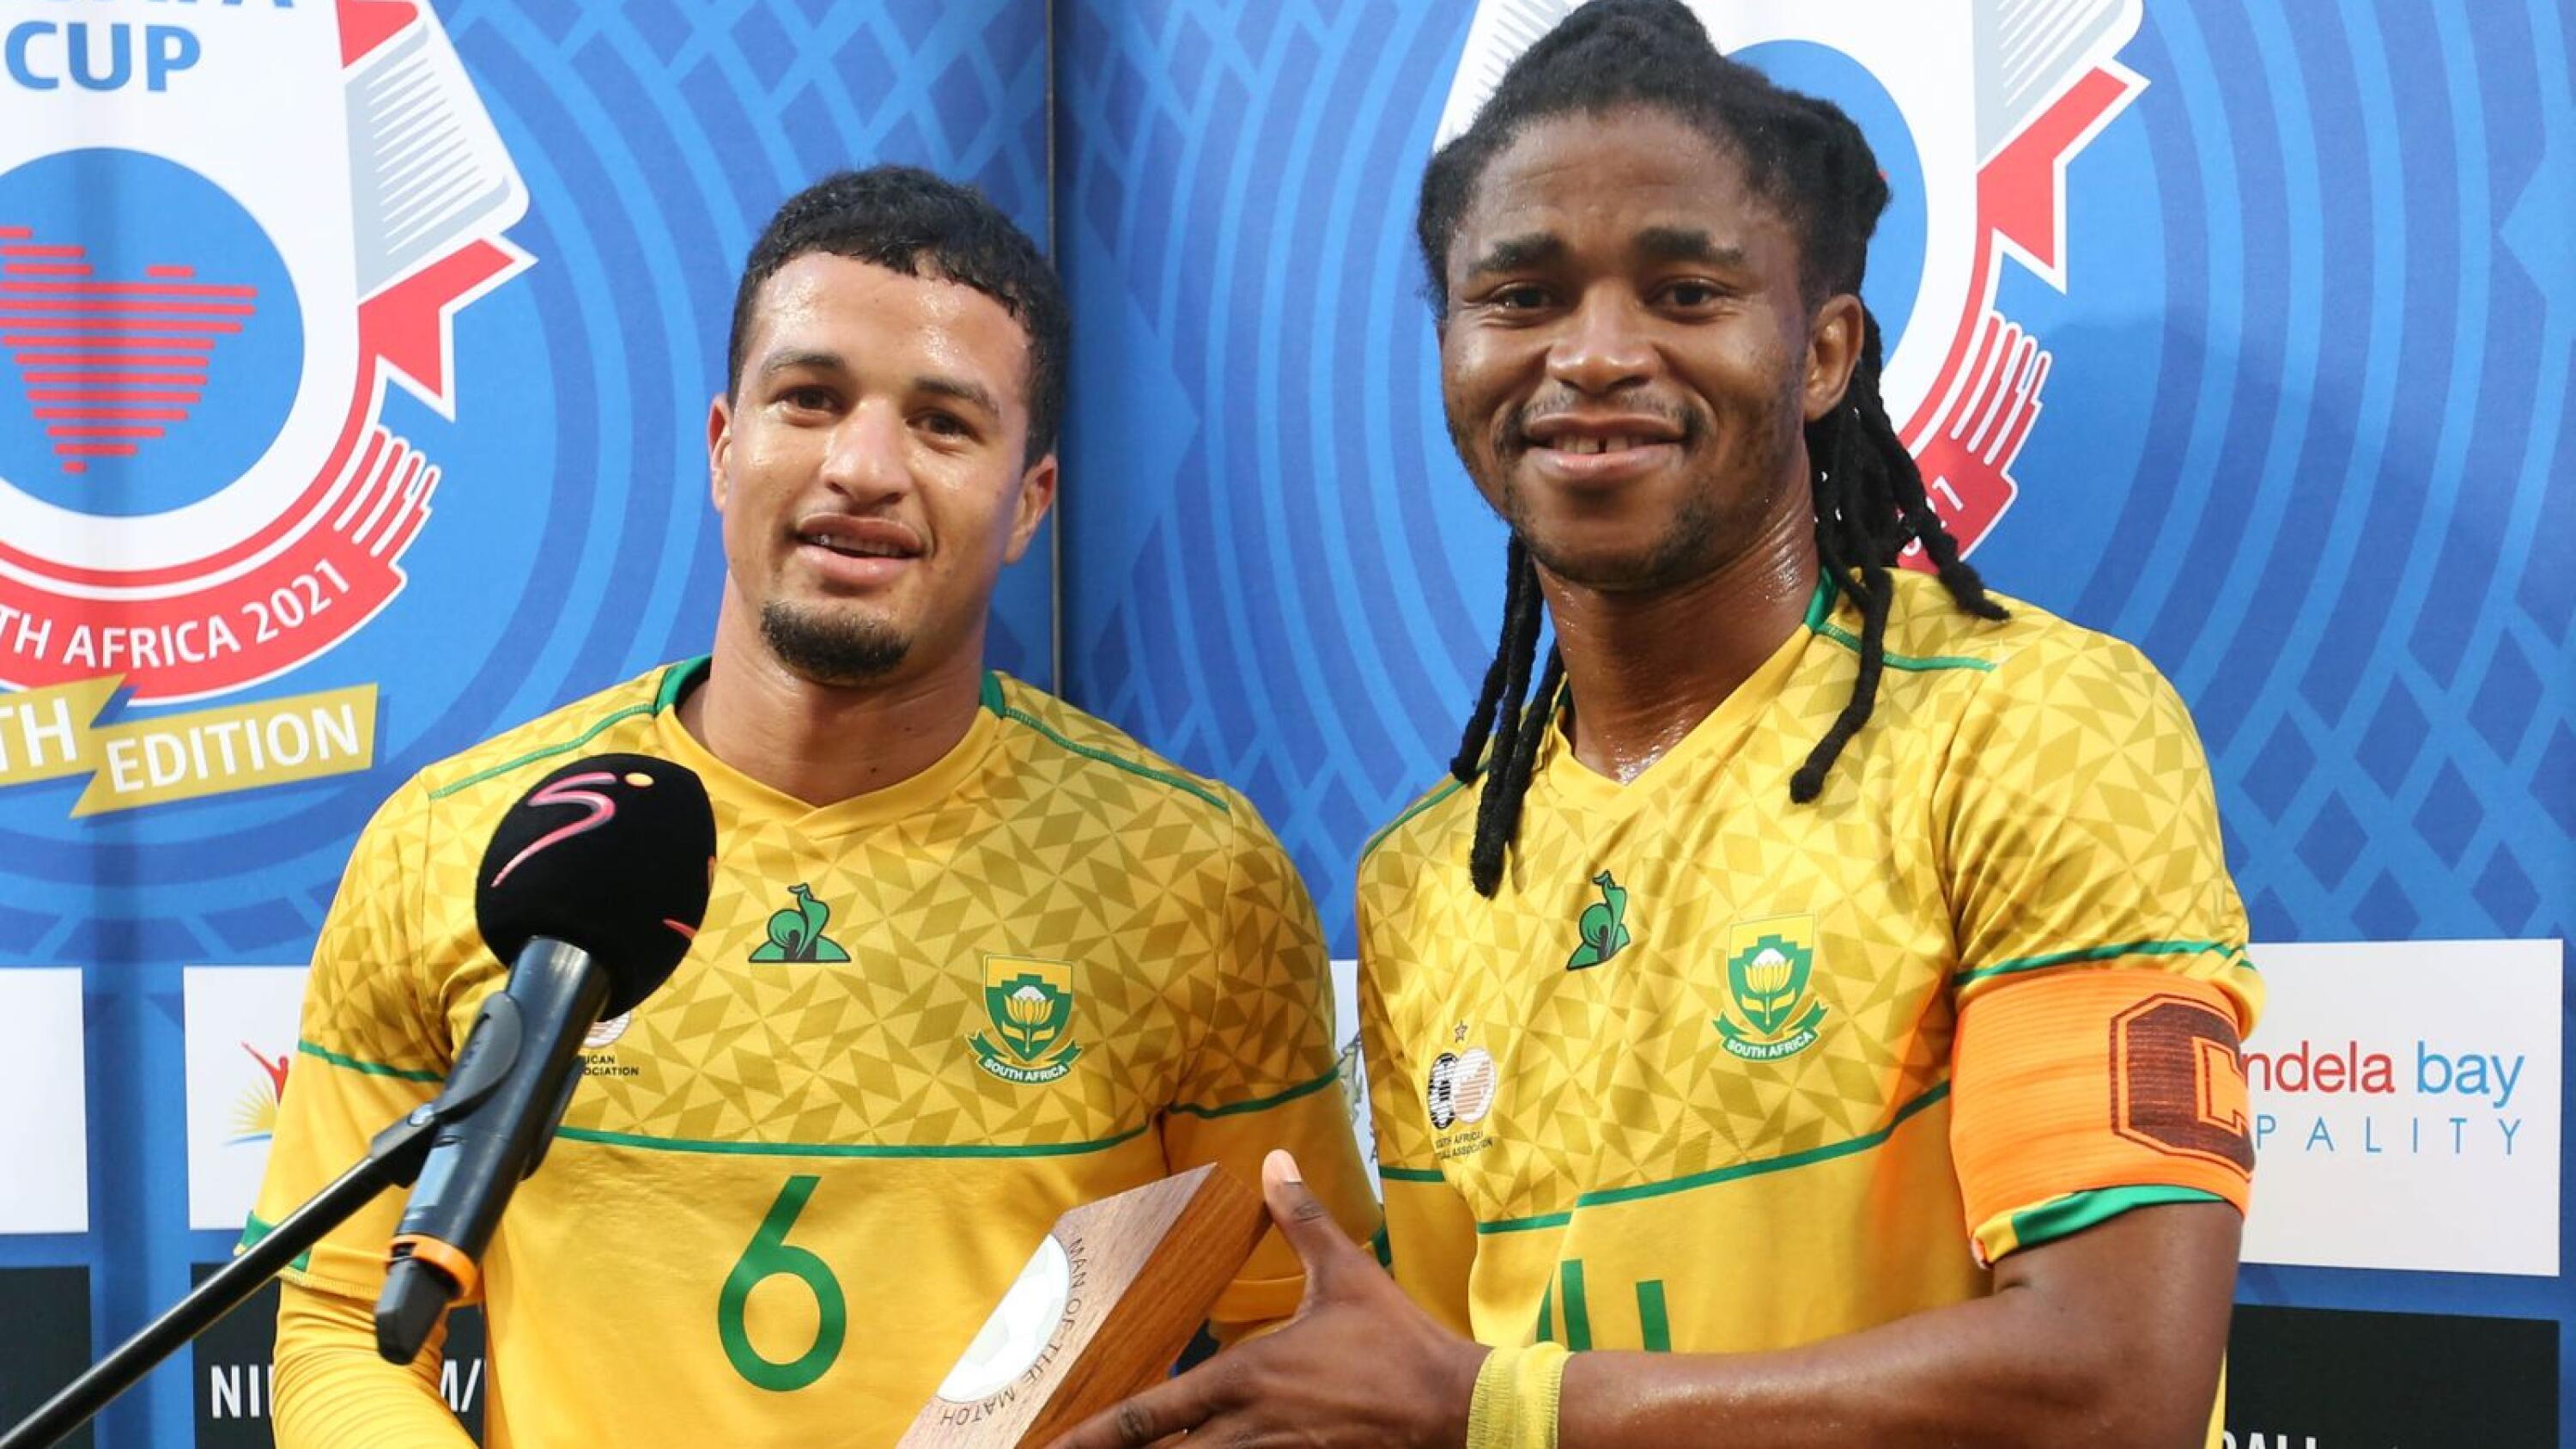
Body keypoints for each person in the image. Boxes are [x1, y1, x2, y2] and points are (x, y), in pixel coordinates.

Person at [1049, 3, 2257, 1446]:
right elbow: (1422, 1394)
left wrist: (1495, 1409)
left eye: (1685, 291)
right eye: (1523, 297)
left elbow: (2116, 1382)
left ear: (1821, 353)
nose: (1595, 353)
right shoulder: (1428, 880)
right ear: (1452, 354)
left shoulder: (2038, 733)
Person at [249, 165, 1377, 1448]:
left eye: (947, 423)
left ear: (1033, 503)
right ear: (726, 444)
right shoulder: (466, 843)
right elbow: (336, 1321)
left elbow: (1295, 1341)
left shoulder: (1196, 880)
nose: (864, 466)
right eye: (811, 399)